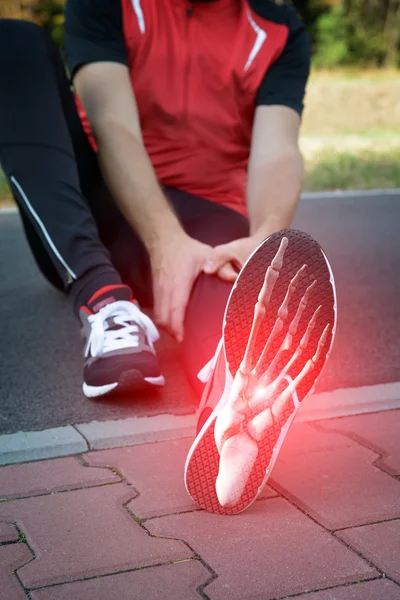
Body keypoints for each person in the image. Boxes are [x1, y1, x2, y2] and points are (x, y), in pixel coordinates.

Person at [0, 1, 336, 513]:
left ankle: (230, 413)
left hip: (209, 220)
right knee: (15, 42)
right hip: (93, 209)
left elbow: (277, 150)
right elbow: (113, 125)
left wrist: (264, 240)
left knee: (230, 283)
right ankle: (103, 299)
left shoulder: (279, 28)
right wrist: (164, 241)